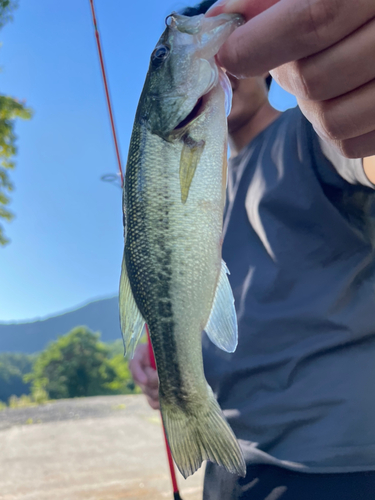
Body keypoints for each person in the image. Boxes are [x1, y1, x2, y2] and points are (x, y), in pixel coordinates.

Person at [130, 0, 375, 498]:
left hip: (333, 460)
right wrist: (161, 347)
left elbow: (363, 155)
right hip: (231, 460)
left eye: (230, 52)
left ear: (263, 67)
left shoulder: (313, 133)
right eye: (162, 62)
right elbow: (191, 280)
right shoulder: (210, 185)